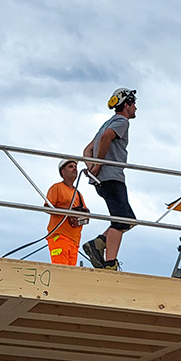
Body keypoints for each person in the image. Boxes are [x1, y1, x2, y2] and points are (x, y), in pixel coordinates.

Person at [82, 87, 136, 270]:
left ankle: (99, 243)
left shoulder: (105, 124)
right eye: (134, 103)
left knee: (129, 220)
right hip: (112, 178)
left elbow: (87, 150)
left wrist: (92, 169)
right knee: (121, 221)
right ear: (126, 104)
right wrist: (97, 165)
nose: (136, 107)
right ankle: (110, 263)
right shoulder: (121, 121)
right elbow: (106, 138)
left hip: (103, 180)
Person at [43, 160, 89, 266]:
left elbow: (85, 216)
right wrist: (68, 212)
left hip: (74, 240)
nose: (74, 169)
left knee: (69, 273)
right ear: (63, 172)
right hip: (59, 236)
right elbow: (48, 208)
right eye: (71, 166)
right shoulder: (57, 188)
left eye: (75, 167)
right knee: (61, 270)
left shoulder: (78, 194)